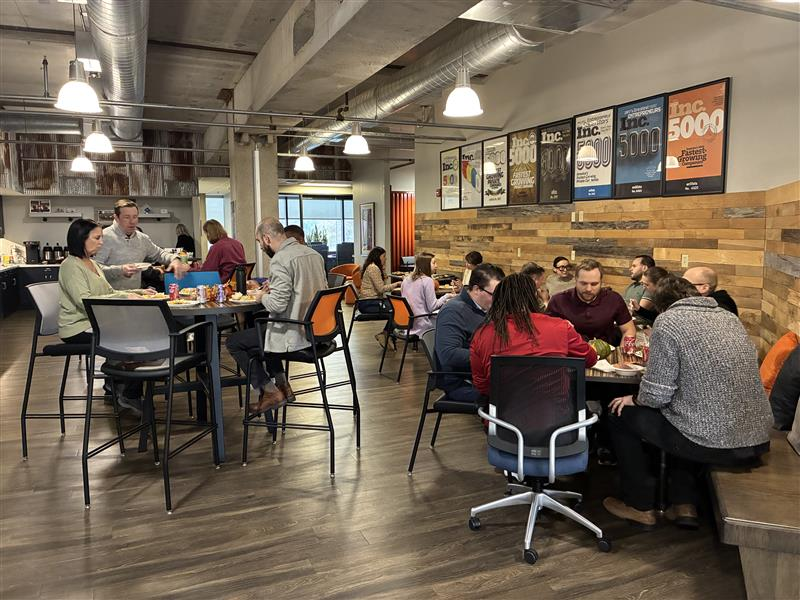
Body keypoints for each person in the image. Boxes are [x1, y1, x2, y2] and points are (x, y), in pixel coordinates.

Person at [603, 276, 772, 529]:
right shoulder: (729, 318)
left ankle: (639, 505)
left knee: (619, 413)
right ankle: (684, 504)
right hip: (754, 439)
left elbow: (656, 395)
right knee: (683, 414)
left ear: (661, 305)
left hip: (714, 441)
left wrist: (634, 398)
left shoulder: (669, 321)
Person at [225, 218, 327, 414]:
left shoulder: (280, 259)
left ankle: (270, 391)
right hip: (316, 331)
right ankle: (283, 386)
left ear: (266, 238)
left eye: (259, 242)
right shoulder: (314, 255)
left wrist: (261, 296)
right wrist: (273, 289)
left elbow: (278, 305)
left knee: (235, 342)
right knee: (262, 332)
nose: (262, 247)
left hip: (294, 334)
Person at [58, 219, 149, 412]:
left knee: (140, 333)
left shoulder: (92, 263)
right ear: (81, 239)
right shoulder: (71, 266)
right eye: (97, 238)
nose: (101, 242)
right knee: (130, 337)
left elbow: (108, 292)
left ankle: (119, 386)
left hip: (96, 323)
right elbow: (85, 301)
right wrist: (126, 296)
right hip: (77, 328)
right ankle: (125, 390)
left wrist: (138, 293)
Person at [470, 273, 598, 401]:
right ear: (535, 297)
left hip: (501, 417)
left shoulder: (482, 334)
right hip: (557, 416)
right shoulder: (560, 327)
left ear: (498, 299)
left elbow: (482, 385)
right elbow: (590, 359)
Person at [434, 263, 505, 404]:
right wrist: (492, 358)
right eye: (495, 294)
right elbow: (449, 355)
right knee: (516, 395)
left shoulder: (487, 308)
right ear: (477, 289)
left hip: (486, 374)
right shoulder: (454, 311)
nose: (499, 299)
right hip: (462, 381)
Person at [94, 199, 189, 290]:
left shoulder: (142, 239)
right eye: (127, 217)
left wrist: (175, 259)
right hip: (108, 298)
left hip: (135, 295)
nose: (132, 221)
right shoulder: (103, 237)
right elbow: (93, 269)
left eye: (135, 217)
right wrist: (120, 270)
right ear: (116, 218)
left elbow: (160, 254)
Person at [546, 259, 636, 346]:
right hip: (571, 355)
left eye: (594, 284)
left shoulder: (613, 299)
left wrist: (624, 355)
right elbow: (547, 332)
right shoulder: (558, 301)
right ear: (576, 281)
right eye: (583, 283)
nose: (589, 289)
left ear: (601, 282)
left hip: (607, 353)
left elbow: (629, 330)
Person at [400, 252, 455, 337]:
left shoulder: (406, 280)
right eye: (434, 263)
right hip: (422, 325)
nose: (436, 266)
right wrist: (447, 296)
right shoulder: (427, 281)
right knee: (450, 315)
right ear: (425, 264)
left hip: (407, 325)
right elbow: (432, 307)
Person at [357, 246, 401, 347]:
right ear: (378, 256)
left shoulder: (374, 267)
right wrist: (397, 284)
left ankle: (386, 334)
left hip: (370, 301)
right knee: (397, 309)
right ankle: (386, 333)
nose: (385, 259)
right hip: (368, 303)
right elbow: (381, 289)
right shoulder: (373, 268)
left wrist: (383, 269)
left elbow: (381, 285)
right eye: (384, 256)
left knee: (396, 307)